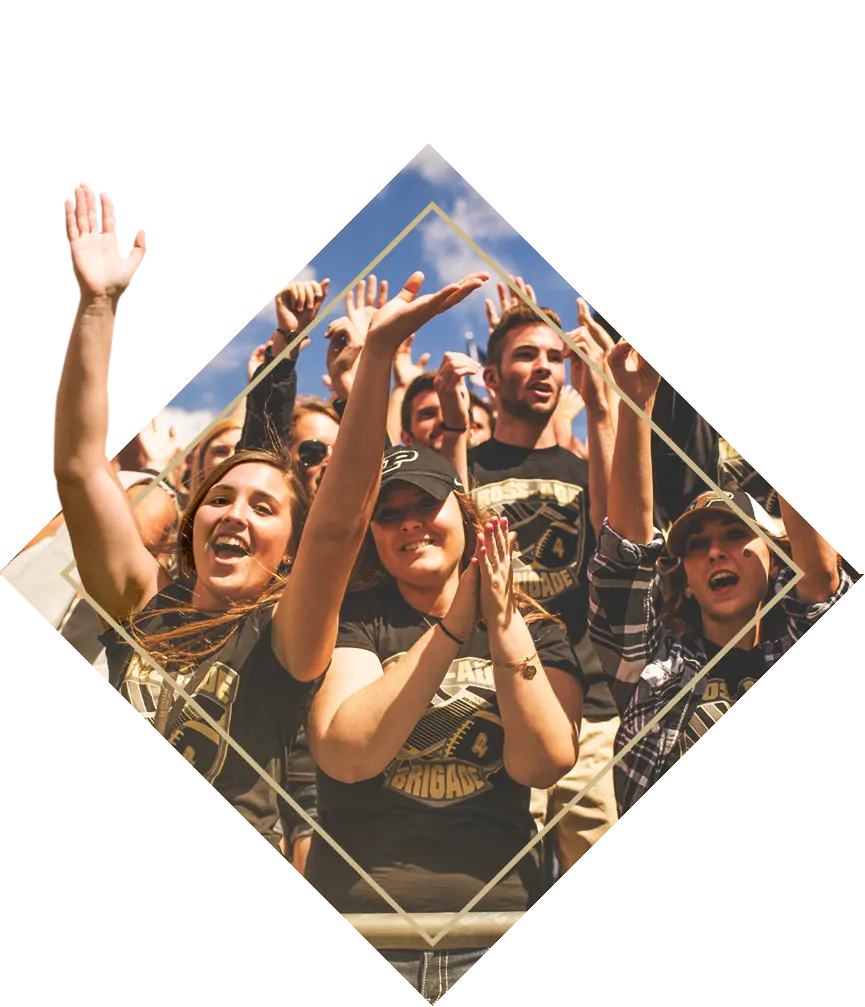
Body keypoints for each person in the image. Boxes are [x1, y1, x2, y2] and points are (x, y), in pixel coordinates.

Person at [53, 183, 486, 856]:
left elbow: (342, 523)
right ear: (193, 522)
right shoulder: (140, 601)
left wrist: (373, 366)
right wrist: (98, 306)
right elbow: (80, 469)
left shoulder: (285, 639)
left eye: (264, 505)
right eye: (221, 498)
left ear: (290, 546)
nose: (235, 514)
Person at [304, 446, 585, 1007]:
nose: (409, 520)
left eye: (426, 502)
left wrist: (502, 623)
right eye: (389, 512)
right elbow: (348, 753)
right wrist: (456, 623)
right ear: (373, 534)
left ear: (466, 513)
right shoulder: (352, 619)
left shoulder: (537, 630)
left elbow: (544, 761)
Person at [588, 339, 851, 822]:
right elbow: (625, 557)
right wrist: (636, 404)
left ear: (776, 562)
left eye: (735, 535)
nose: (714, 551)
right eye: (696, 544)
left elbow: (822, 581)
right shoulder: (653, 668)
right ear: (685, 578)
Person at [437, 292, 620, 880]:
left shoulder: (589, 472)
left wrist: (604, 404)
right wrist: (452, 428)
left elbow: (624, 533)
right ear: (491, 377)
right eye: (525, 355)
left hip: (588, 706)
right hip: (492, 704)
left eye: (554, 356)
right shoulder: (471, 466)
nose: (544, 365)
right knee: (504, 878)